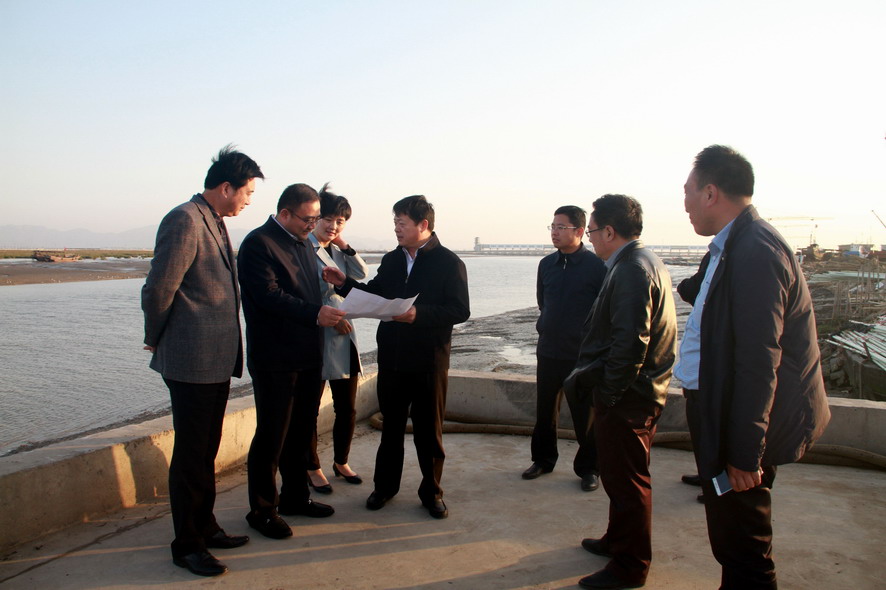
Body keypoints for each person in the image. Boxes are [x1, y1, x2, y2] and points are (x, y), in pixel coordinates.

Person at [675, 145, 830, 589]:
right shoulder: (731, 245)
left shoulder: (756, 251)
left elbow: (759, 360)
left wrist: (745, 454)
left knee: (745, 544)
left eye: (687, 192)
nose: (684, 204)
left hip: (743, 419)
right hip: (721, 404)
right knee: (731, 537)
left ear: (710, 193)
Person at [141, 145, 263, 577]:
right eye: (247, 192)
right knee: (192, 455)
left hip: (213, 359)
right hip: (190, 359)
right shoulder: (185, 220)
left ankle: (206, 525)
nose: (249, 201)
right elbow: (159, 288)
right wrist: (155, 337)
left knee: (206, 448)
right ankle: (187, 544)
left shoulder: (213, 219)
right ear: (226, 187)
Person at [324, 195, 470, 519]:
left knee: (428, 432)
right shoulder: (392, 260)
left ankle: (432, 493)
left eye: (401, 223)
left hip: (429, 361)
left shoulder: (449, 262)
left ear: (423, 225)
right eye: (395, 223)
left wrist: (418, 314)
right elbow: (375, 293)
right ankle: (384, 487)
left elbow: (460, 310)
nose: (396, 229)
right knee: (390, 428)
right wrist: (345, 284)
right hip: (392, 357)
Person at [563, 194, 677, 590]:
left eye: (592, 231)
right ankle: (617, 539)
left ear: (609, 231)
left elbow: (631, 342)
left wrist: (610, 395)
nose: (591, 239)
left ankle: (630, 565)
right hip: (636, 391)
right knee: (617, 475)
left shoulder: (631, 269)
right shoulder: (642, 260)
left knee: (629, 482)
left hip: (630, 397)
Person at [237, 183, 345, 540]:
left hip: (308, 353)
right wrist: (316, 313)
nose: (312, 225)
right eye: (307, 219)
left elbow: (304, 289)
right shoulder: (259, 243)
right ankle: (262, 510)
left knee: (301, 432)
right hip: (276, 356)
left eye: (316, 219)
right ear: (284, 213)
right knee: (272, 435)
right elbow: (268, 296)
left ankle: (296, 497)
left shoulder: (302, 244)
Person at [522, 206, 606, 492]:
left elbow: (602, 311)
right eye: (553, 227)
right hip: (548, 350)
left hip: (580, 354)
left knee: (585, 415)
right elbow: (543, 302)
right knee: (545, 412)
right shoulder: (546, 264)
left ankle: (590, 468)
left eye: (561, 227)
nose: (555, 232)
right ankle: (543, 460)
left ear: (579, 231)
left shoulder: (597, 266)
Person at [305, 183, 369, 493]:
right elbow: (304, 293)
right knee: (309, 409)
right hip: (317, 338)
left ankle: (341, 461)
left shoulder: (337, 251)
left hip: (345, 338)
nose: (333, 226)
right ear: (315, 218)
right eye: (328, 219)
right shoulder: (304, 248)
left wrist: (344, 245)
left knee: (347, 408)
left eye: (340, 221)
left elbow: (362, 274)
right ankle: (312, 466)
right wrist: (331, 318)